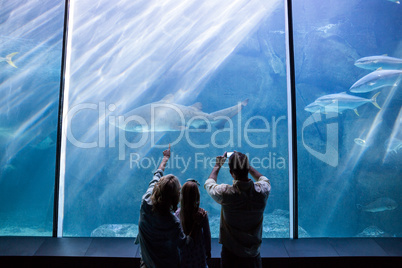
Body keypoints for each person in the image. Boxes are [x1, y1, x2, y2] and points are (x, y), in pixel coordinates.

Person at [204, 151, 271, 268]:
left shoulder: (225, 193)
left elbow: (209, 184)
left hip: (231, 254)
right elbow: (263, 179)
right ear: (247, 169)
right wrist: (246, 166)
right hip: (253, 254)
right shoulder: (262, 191)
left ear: (231, 173)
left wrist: (217, 165)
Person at [135, 144, 190, 268]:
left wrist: (165, 158)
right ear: (176, 197)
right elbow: (184, 244)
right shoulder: (173, 222)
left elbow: (157, 175)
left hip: (147, 263)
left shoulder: (145, 201)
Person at [175, 179, 211, 268]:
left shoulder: (177, 214)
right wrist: (208, 251)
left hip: (183, 254)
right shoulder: (202, 214)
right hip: (198, 253)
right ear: (197, 196)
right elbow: (207, 234)